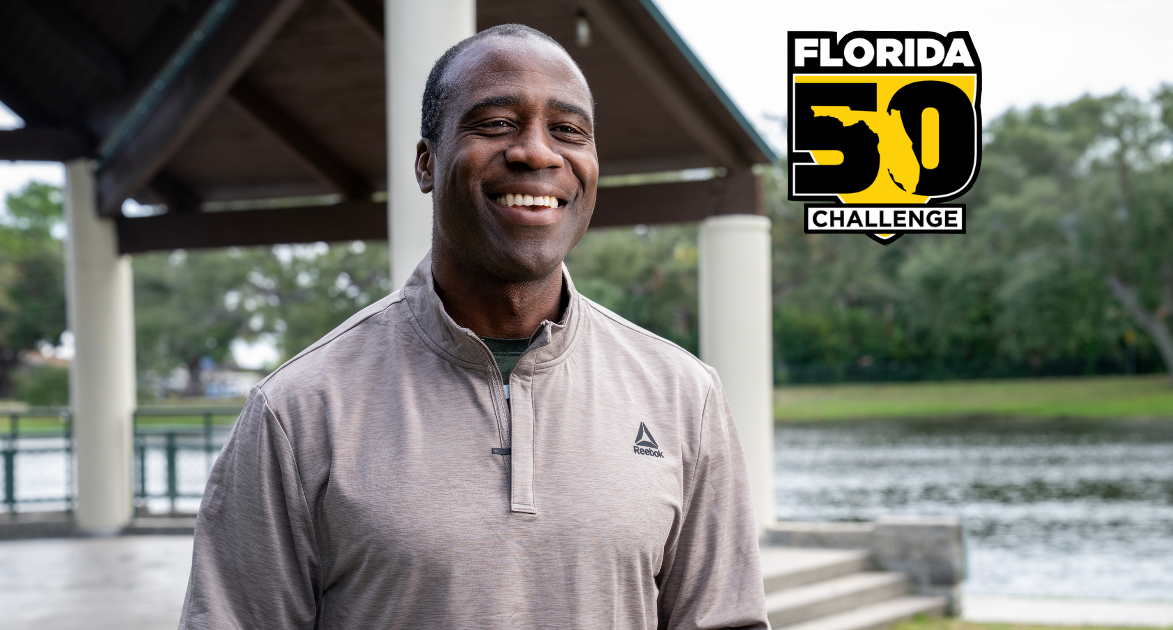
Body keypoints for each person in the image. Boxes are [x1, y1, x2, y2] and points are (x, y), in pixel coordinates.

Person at [179, 23, 768, 630]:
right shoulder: (297, 410)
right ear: (426, 163)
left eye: (567, 131)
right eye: (496, 124)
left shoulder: (683, 395)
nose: (537, 152)